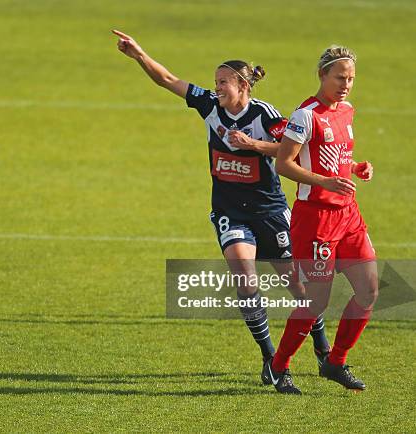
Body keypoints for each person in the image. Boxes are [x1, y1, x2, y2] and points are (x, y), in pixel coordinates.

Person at [112, 30, 330, 383]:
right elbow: (168, 80)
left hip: (269, 210)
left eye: (224, 82)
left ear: (243, 86)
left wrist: (253, 145)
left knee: (298, 287)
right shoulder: (210, 107)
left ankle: (322, 350)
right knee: (245, 277)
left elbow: (293, 149)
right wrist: (139, 55)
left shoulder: (265, 115)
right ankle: (271, 360)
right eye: (215, 81)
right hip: (231, 211)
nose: (216, 88)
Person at [266, 46, 377, 394]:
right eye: (340, 77)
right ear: (322, 76)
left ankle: (336, 361)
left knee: (369, 290)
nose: (346, 84)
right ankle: (278, 366)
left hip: (348, 214)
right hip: (315, 219)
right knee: (315, 301)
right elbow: (284, 164)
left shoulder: (346, 110)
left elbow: (336, 155)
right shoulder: (304, 115)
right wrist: (324, 182)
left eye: (351, 79)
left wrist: (356, 168)